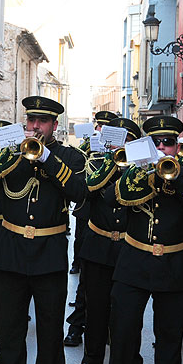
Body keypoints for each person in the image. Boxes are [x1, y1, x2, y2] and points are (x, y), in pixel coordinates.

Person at [0, 96, 87, 364]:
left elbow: (78, 192)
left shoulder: (69, 156)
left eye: (42, 121)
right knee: (10, 329)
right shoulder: (12, 153)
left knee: (50, 330)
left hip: (49, 253)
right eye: (31, 120)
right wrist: (8, 155)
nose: (35, 126)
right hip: (11, 251)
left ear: (54, 124)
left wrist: (46, 158)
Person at [106, 115, 183, 364]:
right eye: (156, 143)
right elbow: (110, 199)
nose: (162, 148)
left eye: (168, 142)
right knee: (123, 334)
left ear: (177, 147)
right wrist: (140, 171)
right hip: (134, 263)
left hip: (175, 266)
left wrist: (178, 178)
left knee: (170, 339)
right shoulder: (135, 173)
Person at [75, 117, 141, 364]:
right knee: (96, 308)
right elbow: (88, 190)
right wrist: (113, 164)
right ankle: (92, 358)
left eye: (128, 141)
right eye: (116, 140)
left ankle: (127, 360)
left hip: (130, 248)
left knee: (128, 313)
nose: (120, 145)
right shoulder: (94, 163)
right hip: (98, 245)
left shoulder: (142, 171)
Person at [64, 111, 116, 348]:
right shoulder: (92, 159)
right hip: (94, 227)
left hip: (124, 238)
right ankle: (76, 328)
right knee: (87, 285)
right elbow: (85, 186)